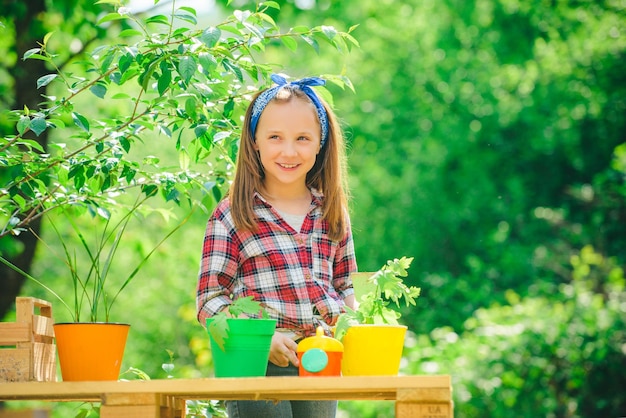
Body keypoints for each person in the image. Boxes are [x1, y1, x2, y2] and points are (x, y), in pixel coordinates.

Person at [196, 74, 357, 418]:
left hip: (321, 362)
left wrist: (353, 327)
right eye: (275, 137)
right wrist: (259, 337)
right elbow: (210, 301)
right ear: (255, 141)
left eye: (302, 138)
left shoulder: (332, 213)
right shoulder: (233, 215)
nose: (289, 151)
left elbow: (345, 286)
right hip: (255, 363)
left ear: (320, 144)